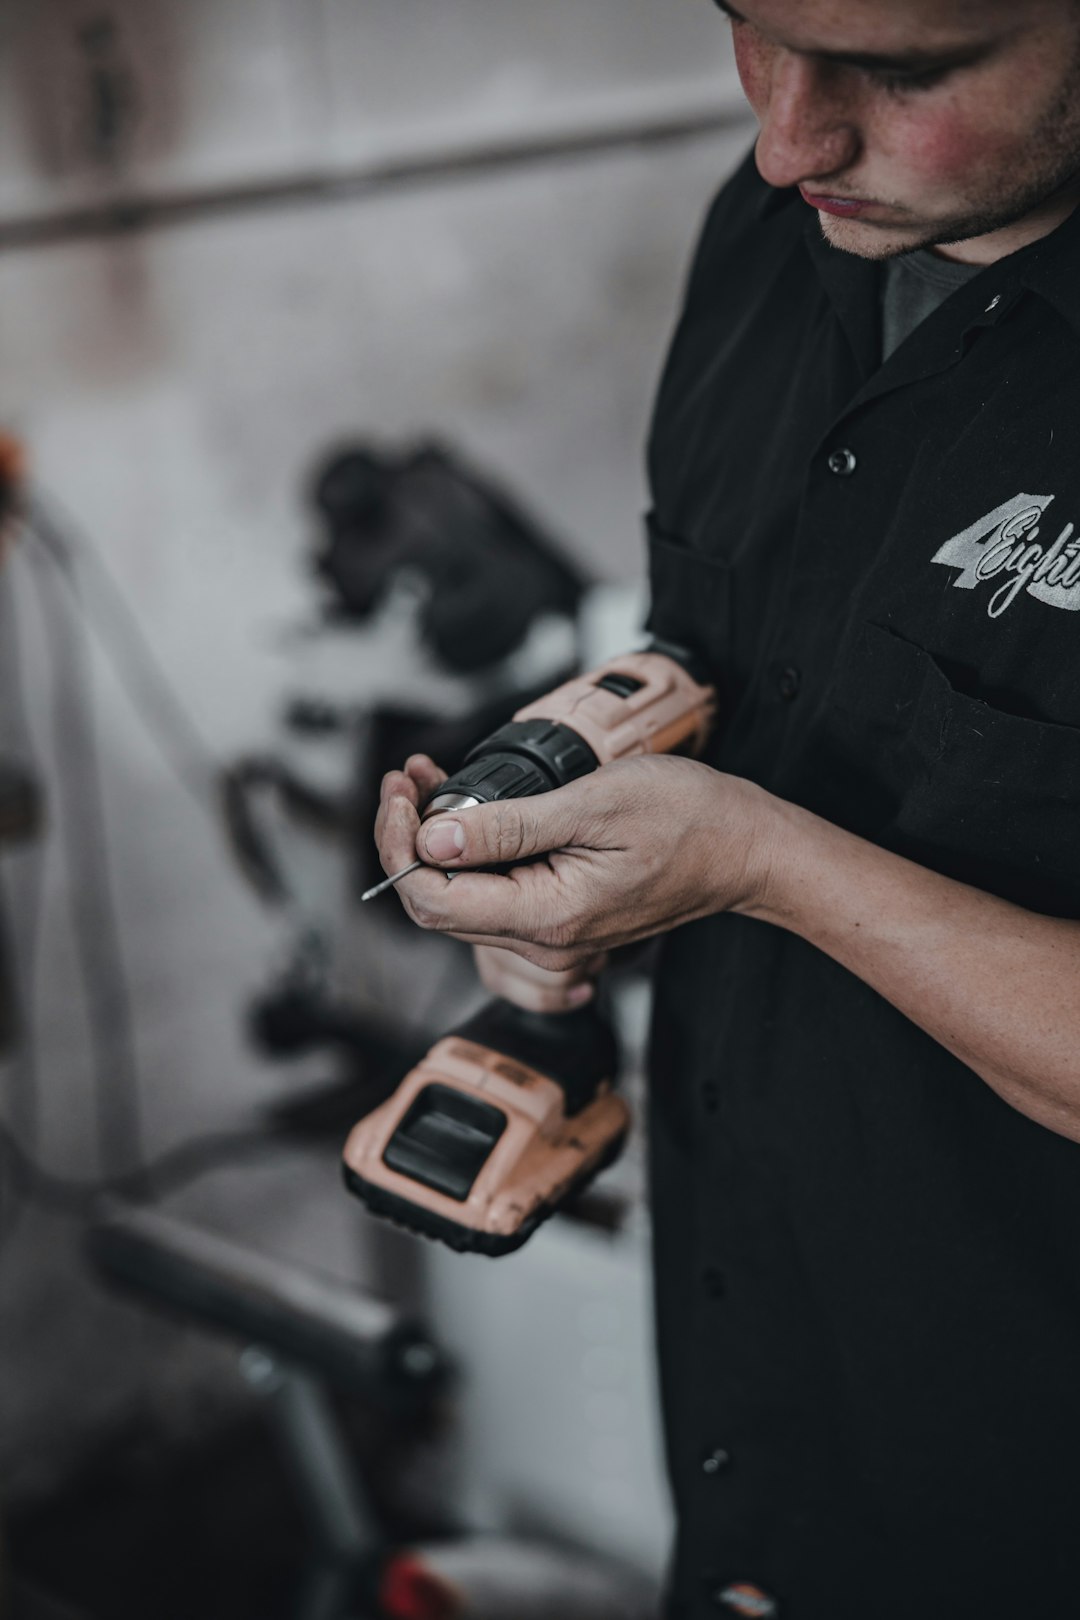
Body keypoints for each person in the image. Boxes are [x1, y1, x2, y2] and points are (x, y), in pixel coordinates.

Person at [375, 1, 1080, 1614]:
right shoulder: (767, 239)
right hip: (765, 1413)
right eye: (751, 29)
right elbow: (754, 659)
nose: (786, 139)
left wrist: (758, 864)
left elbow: (773, 831)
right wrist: (556, 819)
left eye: (905, 73)